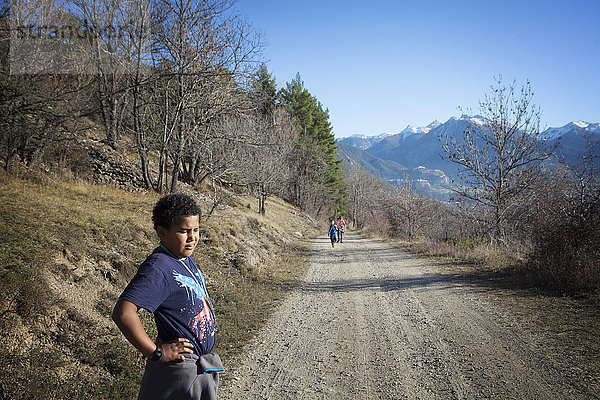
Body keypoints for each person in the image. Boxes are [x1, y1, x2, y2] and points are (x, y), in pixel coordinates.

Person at [112, 193, 223, 400]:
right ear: (162, 232)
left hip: (198, 368)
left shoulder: (182, 257)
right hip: (179, 373)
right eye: (183, 231)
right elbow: (124, 313)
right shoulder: (158, 267)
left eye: (196, 230)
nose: (192, 238)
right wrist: (156, 352)